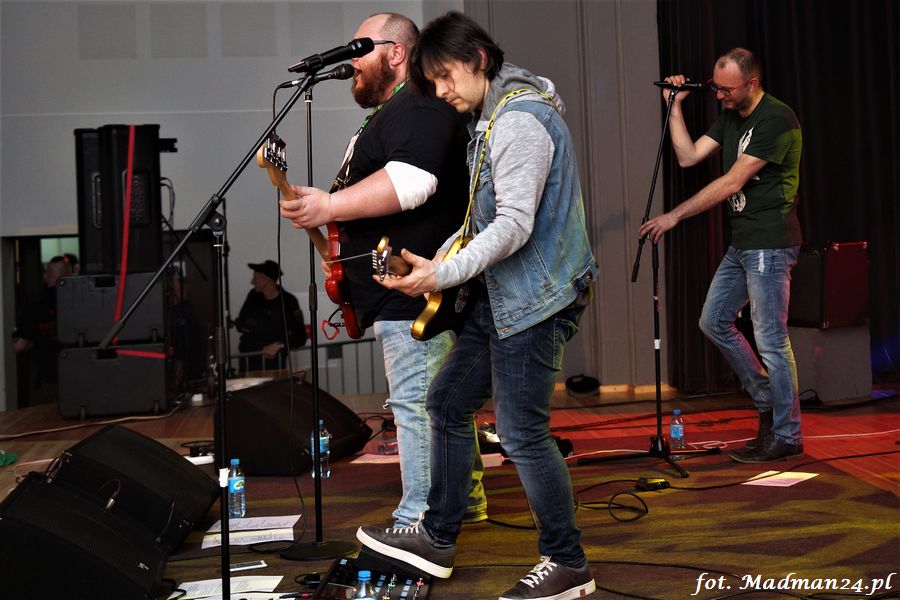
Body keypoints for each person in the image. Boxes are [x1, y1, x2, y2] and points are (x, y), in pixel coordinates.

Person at [355, 12, 597, 600]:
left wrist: (441, 273)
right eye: (432, 81)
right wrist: (437, 260)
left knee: (521, 432)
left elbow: (513, 225)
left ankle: (568, 564)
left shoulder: (519, 121)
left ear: (478, 60)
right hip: (503, 298)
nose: (440, 92)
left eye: (445, 77)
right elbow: (479, 221)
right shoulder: (489, 119)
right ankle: (437, 537)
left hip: (535, 302)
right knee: (446, 402)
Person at [278, 12, 485, 528]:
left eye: (361, 48)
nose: (352, 59)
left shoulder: (417, 102)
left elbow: (414, 180)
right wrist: (327, 211)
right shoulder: (394, 112)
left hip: (412, 293)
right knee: (437, 403)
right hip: (399, 291)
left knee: (417, 404)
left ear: (396, 53)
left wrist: (329, 206)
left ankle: (420, 520)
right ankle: (464, 501)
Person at [639, 48, 803, 463]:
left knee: (771, 339)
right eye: (715, 87)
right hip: (744, 242)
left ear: (751, 83)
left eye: (727, 90)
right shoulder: (731, 115)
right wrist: (674, 106)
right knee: (712, 321)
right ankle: (767, 401)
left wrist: (674, 216)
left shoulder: (776, 119)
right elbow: (688, 156)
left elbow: (732, 183)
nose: (719, 96)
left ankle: (787, 433)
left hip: (769, 242)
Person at [12, 255, 73, 405]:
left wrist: (36, 340)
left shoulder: (34, 309)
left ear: (46, 276)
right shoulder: (79, 305)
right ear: (70, 275)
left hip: (47, 381)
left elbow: (18, 346)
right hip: (76, 377)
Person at [234, 260, 306, 372]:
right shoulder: (253, 297)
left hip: (274, 366)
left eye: (255, 278)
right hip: (248, 363)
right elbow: (240, 323)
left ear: (266, 279)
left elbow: (300, 337)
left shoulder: (288, 301)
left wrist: (279, 345)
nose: (252, 281)